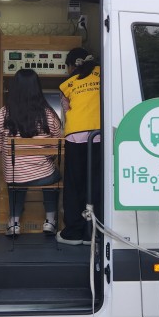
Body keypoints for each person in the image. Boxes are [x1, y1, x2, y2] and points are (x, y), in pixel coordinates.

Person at [0, 69, 62, 237]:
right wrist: (47, 155)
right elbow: (58, 142)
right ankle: (50, 221)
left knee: (17, 179)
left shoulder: (4, 113)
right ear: (37, 87)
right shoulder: (48, 114)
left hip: (14, 175)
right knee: (55, 175)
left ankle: (14, 223)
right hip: (44, 175)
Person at [56, 48, 102, 246]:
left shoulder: (67, 83)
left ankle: (73, 233)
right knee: (98, 182)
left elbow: (66, 109)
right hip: (100, 134)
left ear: (70, 66)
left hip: (75, 135)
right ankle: (95, 233)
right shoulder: (104, 73)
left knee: (75, 184)